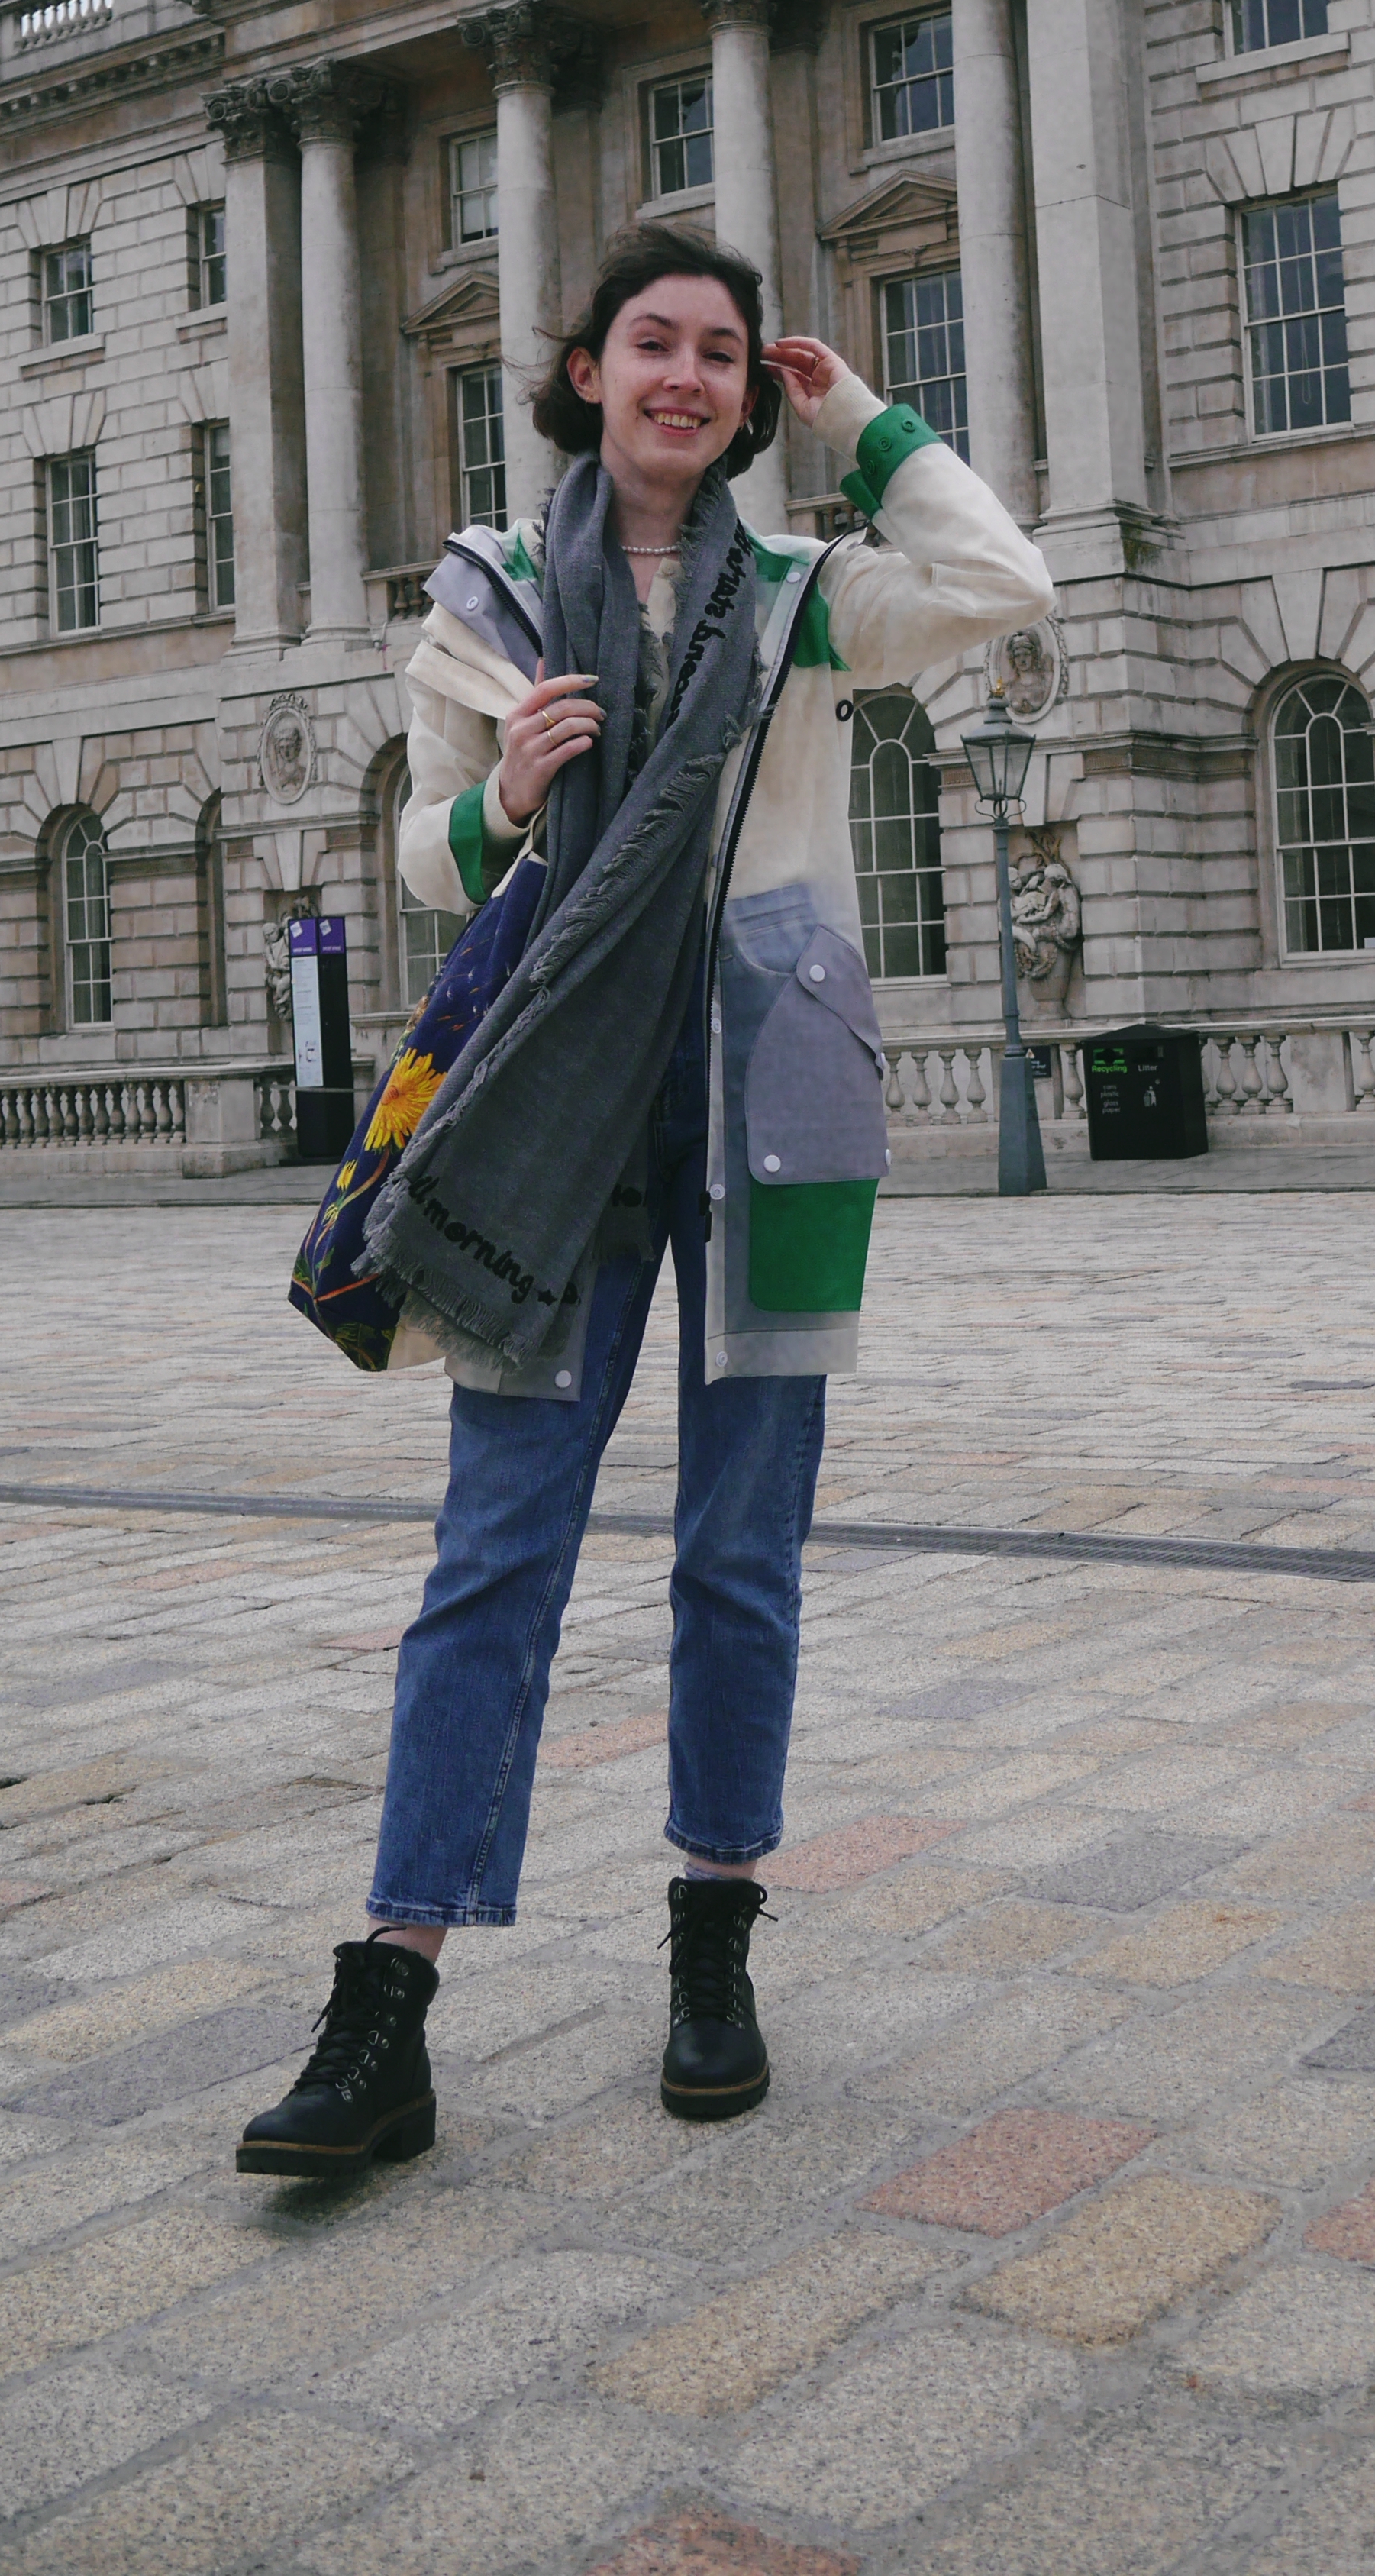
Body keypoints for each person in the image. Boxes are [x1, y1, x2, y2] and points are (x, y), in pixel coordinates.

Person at [237, 231, 1054, 2178]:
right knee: (491, 1556)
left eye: (719, 354)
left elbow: (1002, 581)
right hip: (553, 1117)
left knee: (738, 1553)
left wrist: (855, 416)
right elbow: (427, 860)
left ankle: (712, 1943)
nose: (684, 376)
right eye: (650, 343)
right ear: (588, 372)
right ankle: (389, 1995)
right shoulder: (493, 595)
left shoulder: (805, 596)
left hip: (774, 1094)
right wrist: (505, 799)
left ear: (747, 394)